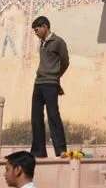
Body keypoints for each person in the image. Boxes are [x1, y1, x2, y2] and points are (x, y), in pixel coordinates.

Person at [30, 16, 69, 157]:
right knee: (36, 117)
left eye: (37, 29)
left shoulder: (58, 42)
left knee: (53, 116)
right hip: (38, 83)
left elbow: (65, 62)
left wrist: (55, 76)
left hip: (51, 83)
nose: (36, 32)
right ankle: (38, 151)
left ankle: (61, 149)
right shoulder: (42, 43)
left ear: (45, 26)